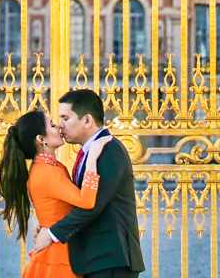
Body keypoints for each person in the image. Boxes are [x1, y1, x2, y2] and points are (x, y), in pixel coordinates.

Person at [30, 88, 144, 278]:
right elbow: (77, 200)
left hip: (112, 257)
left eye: (65, 118)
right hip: (96, 258)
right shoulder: (89, 151)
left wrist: (52, 234)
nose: (60, 126)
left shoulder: (110, 150)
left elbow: (92, 205)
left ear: (87, 120)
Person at [0, 107, 111, 278]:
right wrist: (92, 159)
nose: (58, 126)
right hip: (59, 253)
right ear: (41, 139)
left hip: (59, 246)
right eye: (51, 125)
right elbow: (86, 201)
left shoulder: (49, 168)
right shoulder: (47, 172)